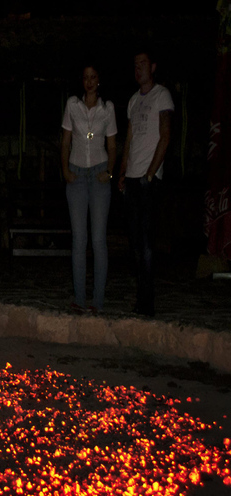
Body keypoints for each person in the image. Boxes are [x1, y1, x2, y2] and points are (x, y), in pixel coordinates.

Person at [118, 49, 174, 317]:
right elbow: (128, 140)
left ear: (153, 66)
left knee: (148, 243)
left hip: (148, 179)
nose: (138, 68)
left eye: (142, 64)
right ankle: (140, 297)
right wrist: (122, 173)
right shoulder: (132, 101)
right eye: (135, 64)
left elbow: (165, 135)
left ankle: (147, 302)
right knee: (135, 243)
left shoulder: (161, 95)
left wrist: (150, 174)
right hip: (131, 178)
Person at [60, 63, 117, 313]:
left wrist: (110, 172)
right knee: (79, 239)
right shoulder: (72, 105)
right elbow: (65, 141)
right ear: (82, 81)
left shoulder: (108, 109)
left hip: (99, 174)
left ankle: (98, 301)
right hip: (76, 175)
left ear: (99, 80)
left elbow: (113, 145)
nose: (90, 81)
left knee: (98, 239)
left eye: (94, 77)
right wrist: (65, 170)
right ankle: (80, 298)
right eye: (86, 77)